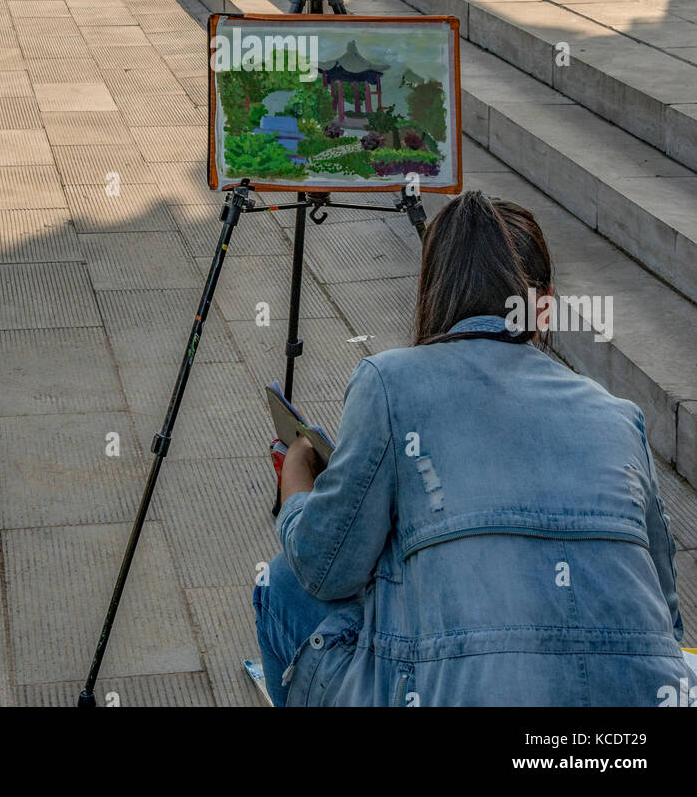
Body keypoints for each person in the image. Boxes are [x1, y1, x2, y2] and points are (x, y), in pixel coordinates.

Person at [253, 190, 694, 707]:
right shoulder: (618, 415)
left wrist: (298, 485)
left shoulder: (390, 381)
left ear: (432, 292)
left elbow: (326, 568)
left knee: (281, 584)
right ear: (544, 303)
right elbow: (665, 611)